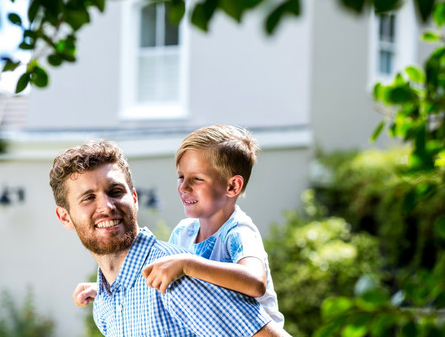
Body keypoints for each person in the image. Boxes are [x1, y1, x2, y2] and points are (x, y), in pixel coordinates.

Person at [50, 139, 289, 336]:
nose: (106, 206)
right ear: (64, 218)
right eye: (88, 198)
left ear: (134, 199)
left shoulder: (177, 278)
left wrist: (187, 265)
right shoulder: (104, 303)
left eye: (115, 192)